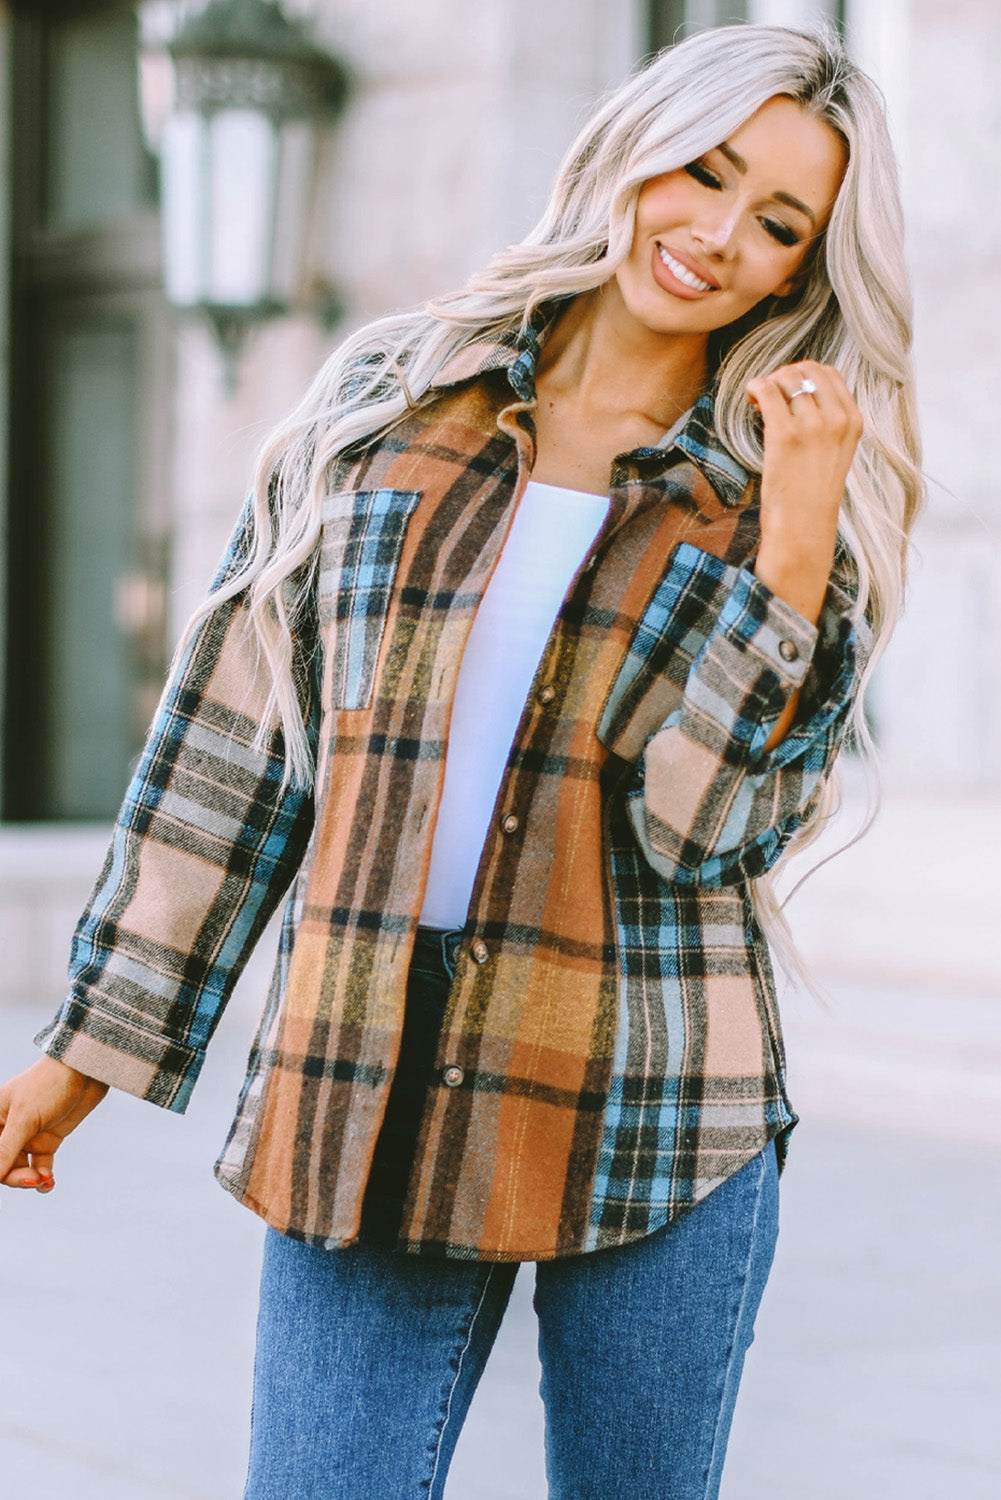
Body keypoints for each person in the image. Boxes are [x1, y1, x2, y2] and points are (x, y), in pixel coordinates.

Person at [0, 20, 921, 1500]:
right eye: (702, 171)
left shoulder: (769, 502)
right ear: (629, 152)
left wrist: (793, 554)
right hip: (363, 1076)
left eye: (776, 225)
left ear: (805, 271)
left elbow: (703, 831)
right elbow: (232, 752)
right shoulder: (386, 410)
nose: (715, 236)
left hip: (660, 1105)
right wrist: (89, 1049)